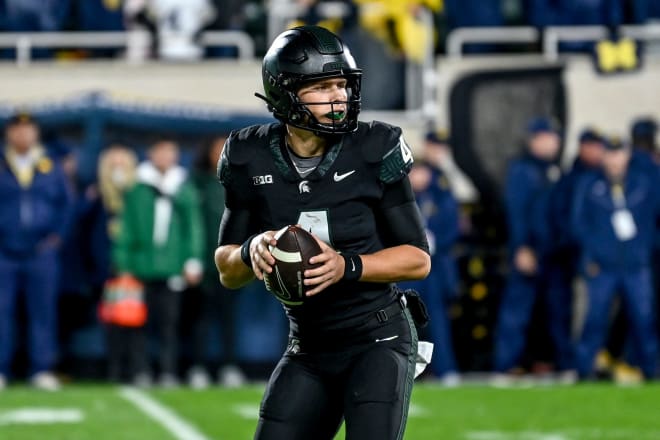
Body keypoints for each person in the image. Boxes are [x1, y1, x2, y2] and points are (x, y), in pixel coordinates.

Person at [214, 26, 431, 439]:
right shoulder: (247, 156)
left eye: (341, 84)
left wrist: (346, 266)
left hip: (378, 337)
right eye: (322, 86)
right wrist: (250, 250)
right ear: (286, 94)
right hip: (309, 346)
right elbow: (226, 270)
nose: (338, 96)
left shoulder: (374, 147)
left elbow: (418, 258)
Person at [113, 139, 204, 387]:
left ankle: (167, 371)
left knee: (169, 324)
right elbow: (127, 227)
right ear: (151, 153)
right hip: (142, 267)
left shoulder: (183, 186)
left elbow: (193, 226)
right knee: (138, 323)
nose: (166, 156)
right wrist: (124, 263)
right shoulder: (138, 187)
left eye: (170, 152)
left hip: (173, 266)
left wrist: (193, 259)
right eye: (161, 151)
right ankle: (140, 370)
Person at [492, 117, 575, 383]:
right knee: (517, 311)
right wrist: (522, 247)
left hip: (554, 252)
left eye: (555, 137)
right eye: (548, 137)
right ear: (534, 140)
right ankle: (504, 366)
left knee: (558, 311)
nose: (554, 142)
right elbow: (517, 213)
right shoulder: (523, 170)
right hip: (531, 250)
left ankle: (565, 364)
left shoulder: (554, 169)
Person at [572, 136, 659, 381]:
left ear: (627, 155)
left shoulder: (643, 183)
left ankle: (651, 369)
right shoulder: (589, 184)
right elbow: (579, 223)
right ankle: (584, 369)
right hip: (602, 266)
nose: (615, 159)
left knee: (644, 319)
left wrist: (645, 249)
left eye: (619, 153)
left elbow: (654, 220)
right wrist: (592, 254)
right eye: (610, 153)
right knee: (595, 319)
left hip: (636, 265)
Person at [0, 112, 74, 391]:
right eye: (17, 129)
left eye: (28, 129)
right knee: (1, 311)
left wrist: (56, 238)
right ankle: (1, 369)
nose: (23, 135)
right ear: (9, 133)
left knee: (42, 312)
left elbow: (66, 205)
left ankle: (41, 368)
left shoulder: (49, 165)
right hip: (3, 251)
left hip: (41, 251)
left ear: (36, 133)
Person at [187, 136, 246, 389]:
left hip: (233, 263)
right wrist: (194, 261)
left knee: (229, 318)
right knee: (200, 319)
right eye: (217, 149)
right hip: (205, 264)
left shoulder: (241, 184)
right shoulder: (196, 183)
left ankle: (229, 366)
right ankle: (198, 367)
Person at [400, 156, 461, 386]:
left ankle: (446, 369)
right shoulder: (399, 197)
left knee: (438, 321)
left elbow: (452, 227)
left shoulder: (441, 196)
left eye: (424, 172)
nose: (420, 177)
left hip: (434, 271)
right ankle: (403, 371)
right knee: (404, 322)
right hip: (406, 270)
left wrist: (435, 241)